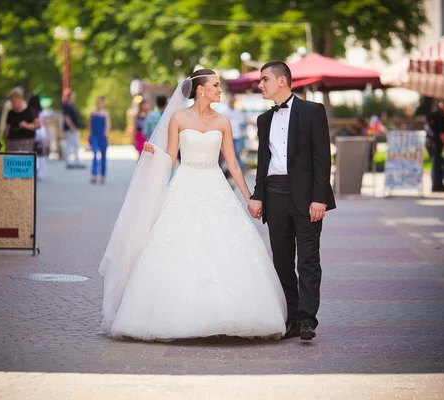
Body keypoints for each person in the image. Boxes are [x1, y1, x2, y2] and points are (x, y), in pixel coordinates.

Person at [99, 69, 286, 341]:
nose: (220, 90)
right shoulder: (178, 118)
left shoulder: (222, 121)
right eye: (216, 85)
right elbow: (172, 157)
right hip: (185, 185)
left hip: (215, 185)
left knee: (224, 247)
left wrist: (249, 198)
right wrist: (156, 153)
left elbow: (232, 163)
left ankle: (227, 315)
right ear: (200, 89)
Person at [247, 61, 336, 341]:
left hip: (307, 198)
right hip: (274, 196)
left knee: (308, 261)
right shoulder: (264, 120)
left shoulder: (312, 111)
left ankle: (308, 320)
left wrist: (319, 198)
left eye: (265, 80)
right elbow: (263, 163)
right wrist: (258, 195)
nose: (260, 85)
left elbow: (323, 159)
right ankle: (293, 318)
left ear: (282, 81)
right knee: (282, 262)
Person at [426, 101, 444, 192]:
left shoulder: (434, 113)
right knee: (437, 164)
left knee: (435, 164)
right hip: (435, 143)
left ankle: (437, 184)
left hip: (428, 141)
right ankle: (437, 186)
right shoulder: (440, 115)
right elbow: (441, 134)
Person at [89, 96, 110, 184]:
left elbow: (108, 124)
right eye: (98, 102)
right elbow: (90, 124)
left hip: (102, 135)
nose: (99, 104)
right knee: (94, 153)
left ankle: (102, 175)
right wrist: (89, 135)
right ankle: (94, 174)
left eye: (101, 102)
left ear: (103, 103)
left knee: (103, 156)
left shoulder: (105, 113)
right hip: (94, 135)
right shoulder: (93, 112)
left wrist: (106, 132)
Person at [220, 95, 245, 170]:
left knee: (237, 153)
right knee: (228, 154)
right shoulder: (225, 111)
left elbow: (242, 122)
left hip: (237, 135)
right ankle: (229, 171)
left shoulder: (238, 111)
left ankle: (240, 169)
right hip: (228, 136)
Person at [29, 95, 49, 180]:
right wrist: (48, 135)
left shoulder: (29, 111)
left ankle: (35, 170)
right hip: (42, 132)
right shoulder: (42, 111)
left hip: (33, 131)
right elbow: (46, 123)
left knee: (33, 151)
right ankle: (41, 172)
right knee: (41, 152)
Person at [62, 89, 84, 168]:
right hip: (70, 129)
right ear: (69, 97)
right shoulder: (67, 106)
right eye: (73, 96)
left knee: (76, 145)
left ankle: (76, 160)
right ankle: (69, 161)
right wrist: (72, 127)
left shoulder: (71, 106)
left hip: (74, 129)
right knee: (70, 145)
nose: (74, 98)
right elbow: (66, 117)